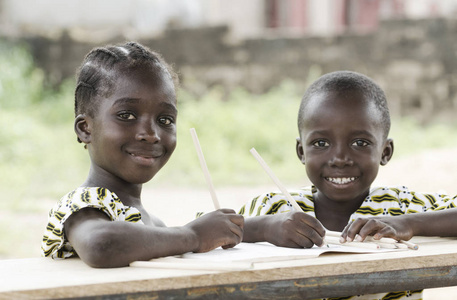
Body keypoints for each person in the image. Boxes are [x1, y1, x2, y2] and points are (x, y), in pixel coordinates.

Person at [239, 70, 457, 300]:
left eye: (360, 142)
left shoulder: (401, 207)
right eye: (321, 143)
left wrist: (409, 224)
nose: (340, 158)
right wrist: (261, 228)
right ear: (301, 151)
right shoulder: (275, 208)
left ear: (385, 152)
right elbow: (204, 231)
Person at [41, 42, 244, 268]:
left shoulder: (153, 225)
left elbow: (197, 234)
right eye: (127, 115)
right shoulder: (80, 207)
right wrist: (193, 236)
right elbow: (102, 245)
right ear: (85, 129)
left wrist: (264, 227)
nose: (150, 134)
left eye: (165, 120)